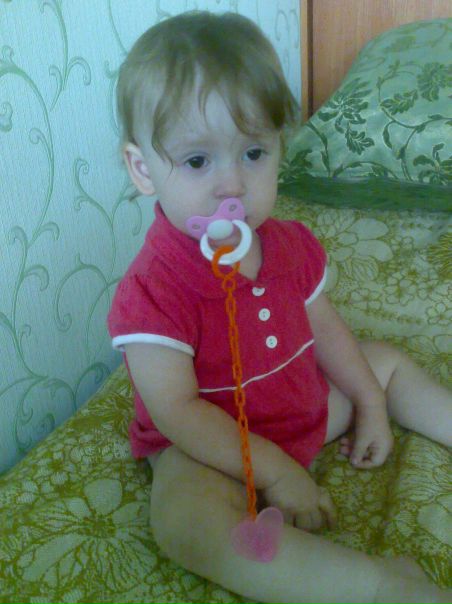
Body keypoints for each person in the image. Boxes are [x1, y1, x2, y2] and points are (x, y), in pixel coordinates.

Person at [108, 11, 451, 603]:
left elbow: (327, 330)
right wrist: (275, 471)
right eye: (198, 161)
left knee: (385, 362)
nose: (233, 185)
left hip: (301, 406)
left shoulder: (289, 245)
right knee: (183, 521)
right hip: (211, 448)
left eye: (253, 153)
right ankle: (379, 588)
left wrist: (370, 401)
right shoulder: (152, 290)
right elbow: (177, 412)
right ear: (143, 169)